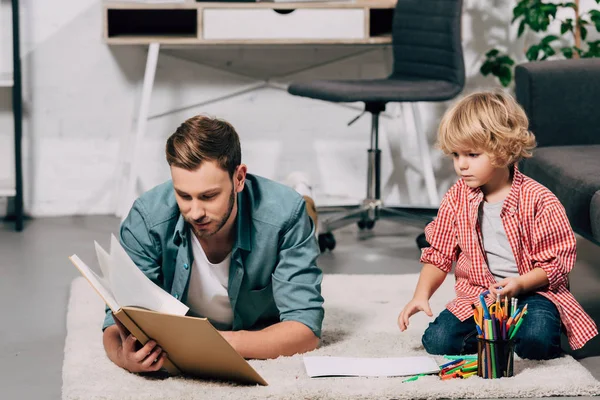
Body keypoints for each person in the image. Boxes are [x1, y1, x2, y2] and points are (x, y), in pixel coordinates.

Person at [102, 115, 324, 373]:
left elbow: (306, 330)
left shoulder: (286, 215)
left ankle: (305, 192)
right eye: (184, 195)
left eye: (208, 196)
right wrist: (123, 356)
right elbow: (115, 320)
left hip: (280, 214)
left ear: (239, 178)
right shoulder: (147, 218)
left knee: (302, 212)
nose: (195, 212)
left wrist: (214, 343)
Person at [397, 91, 598, 360]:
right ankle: (500, 337)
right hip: (480, 296)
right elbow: (439, 254)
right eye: (456, 155)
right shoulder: (456, 197)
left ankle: (529, 333)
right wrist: (420, 295)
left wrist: (519, 284)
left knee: (537, 340)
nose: (461, 165)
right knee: (438, 341)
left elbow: (556, 265)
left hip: (533, 294)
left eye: (472, 154)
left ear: (503, 149)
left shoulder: (539, 200)